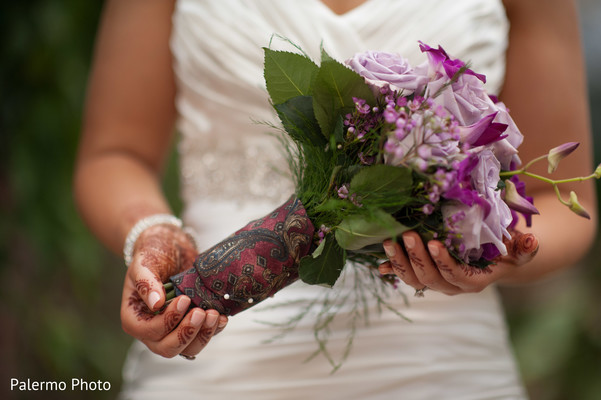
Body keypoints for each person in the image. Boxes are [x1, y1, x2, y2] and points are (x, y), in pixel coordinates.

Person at [74, 0, 597, 398]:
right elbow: (114, 154)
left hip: (441, 365)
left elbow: (566, 205)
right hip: (214, 353)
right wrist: (149, 230)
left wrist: (501, 252)